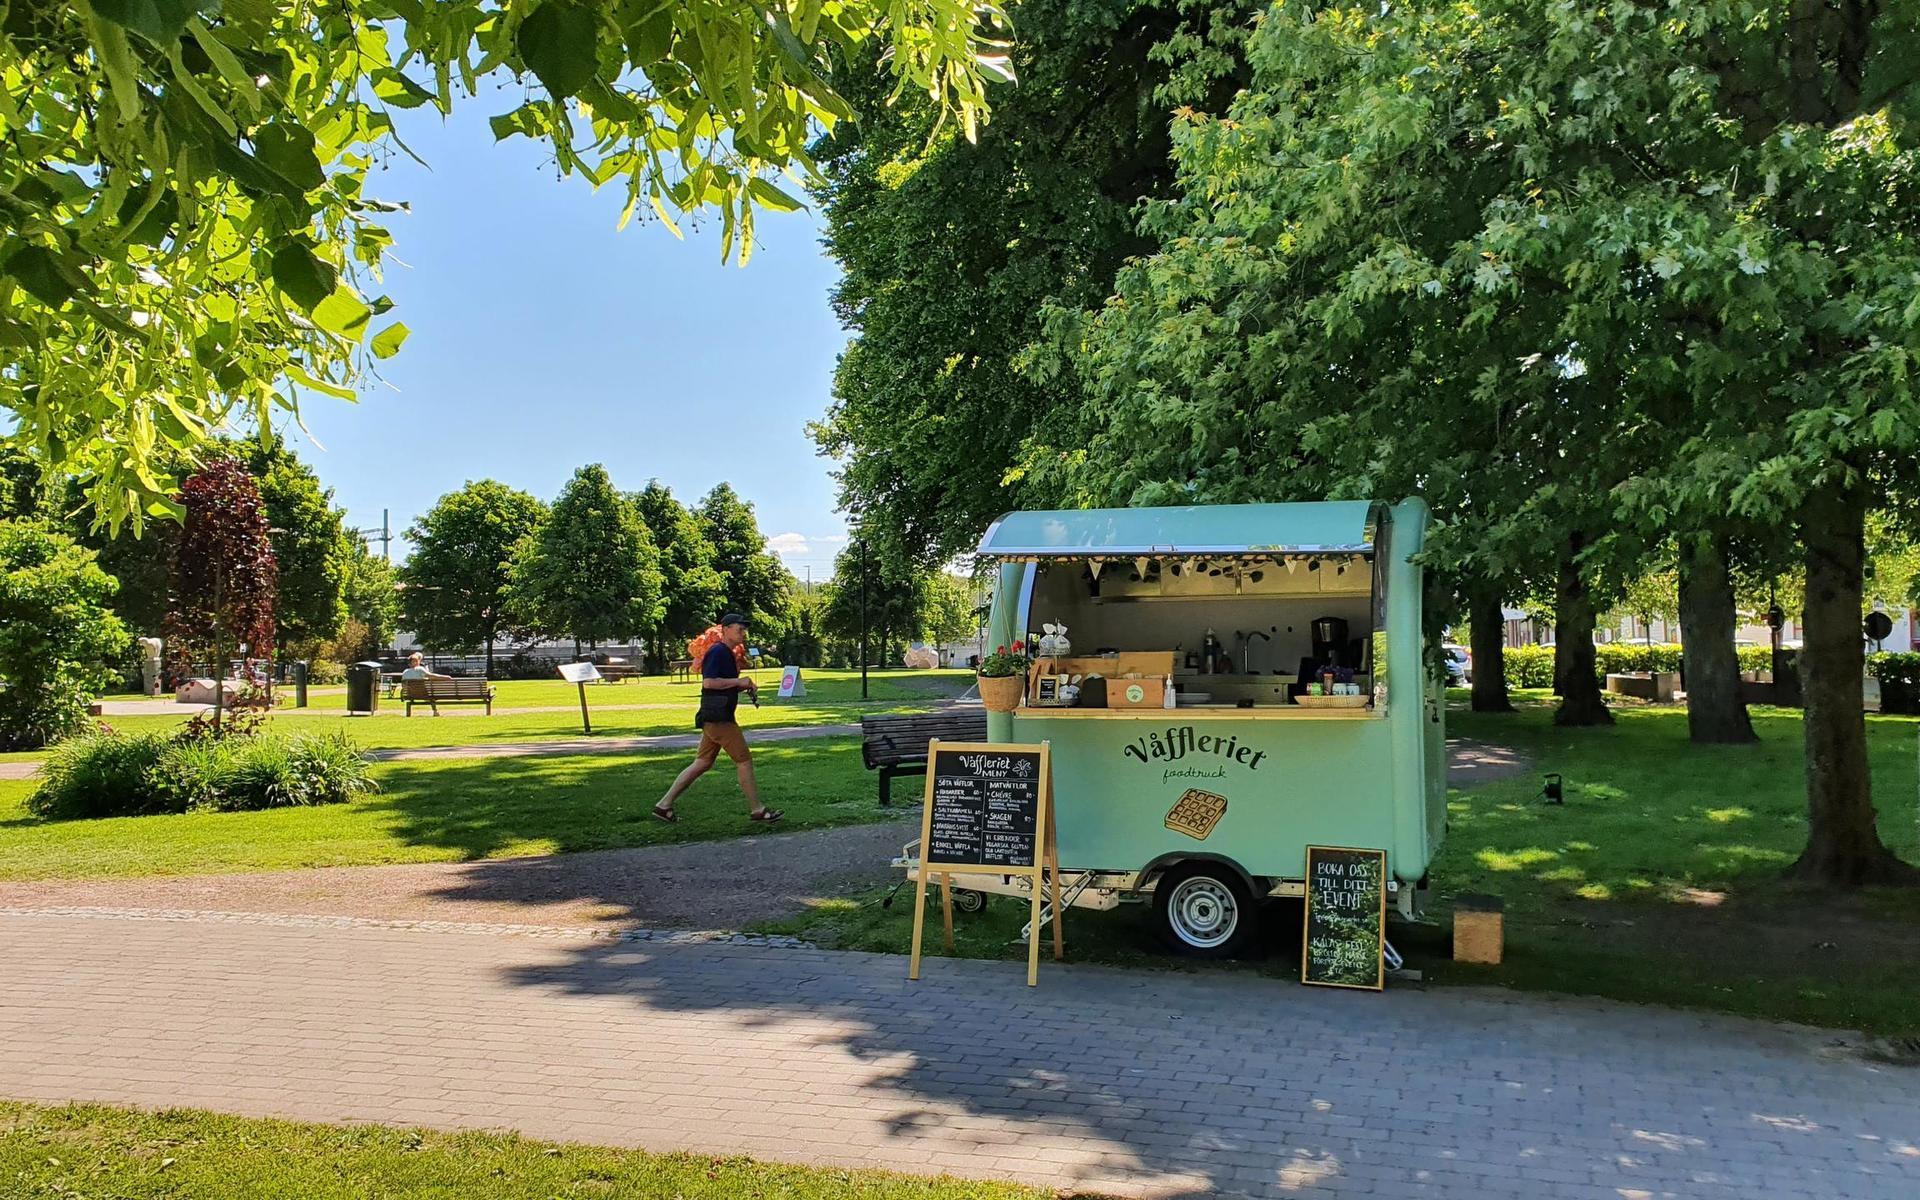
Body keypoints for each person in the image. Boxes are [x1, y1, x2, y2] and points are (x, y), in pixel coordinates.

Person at [652, 614, 783, 825]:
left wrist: (741, 685)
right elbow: (709, 683)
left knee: (702, 762)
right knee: (744, 760)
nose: (743, 633)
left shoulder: (726, 653)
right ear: (726, 629)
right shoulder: (718, 652)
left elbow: (723, 683)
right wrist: (738, 680)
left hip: (716, 716)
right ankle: (757, 810)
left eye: (744, 629)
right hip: (719, 718)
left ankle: (663, 806)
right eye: (739, 629)